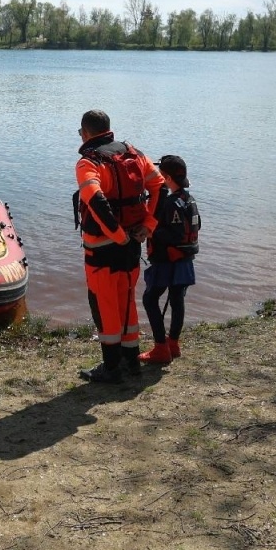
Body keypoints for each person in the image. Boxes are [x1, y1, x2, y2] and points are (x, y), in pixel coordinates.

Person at [74, 110, 162, 384]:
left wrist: (116, 233)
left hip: (104, 247)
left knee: (105, 305)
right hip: (133, 242)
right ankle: (131, 361)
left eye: (80, 132)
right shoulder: (135, 155)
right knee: (127, 300)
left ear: (86, 133)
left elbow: (95, 200)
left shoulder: (88, 163)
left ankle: (111, 368)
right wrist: (147, 226)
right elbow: (160, 188)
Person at [139, 155, 200, 366]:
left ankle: (160, 348)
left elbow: (171, 234)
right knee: (177, 300)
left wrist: (150, 232)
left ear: (165, 177)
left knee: (149, 299)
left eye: (159, 174)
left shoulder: (169, 203)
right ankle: (173, 343)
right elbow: (196, 226)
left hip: (168, 260)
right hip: (185, 260)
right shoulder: (189, 199)